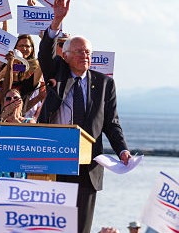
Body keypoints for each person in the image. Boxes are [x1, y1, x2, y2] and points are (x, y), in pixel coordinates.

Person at [37, 1, 132, 232]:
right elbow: (45, 54)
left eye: (88, 52)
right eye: (79, 52)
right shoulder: (56, 71)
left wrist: (122, 150)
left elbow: (111, 122)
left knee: (81, 227)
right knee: (53, 225)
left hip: (88, 166)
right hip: (55, 160)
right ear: (66, 56)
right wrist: (56, 21)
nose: (85, 56)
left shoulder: (104, 83)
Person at [0, 89, 36, 205]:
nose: (12, 101)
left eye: (16, 98)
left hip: (18, 175)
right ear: (3, 104)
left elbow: (31, 140)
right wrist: (5, 116)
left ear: (21, 103)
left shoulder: (29, 122)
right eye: (8, 99)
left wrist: (15, 119)